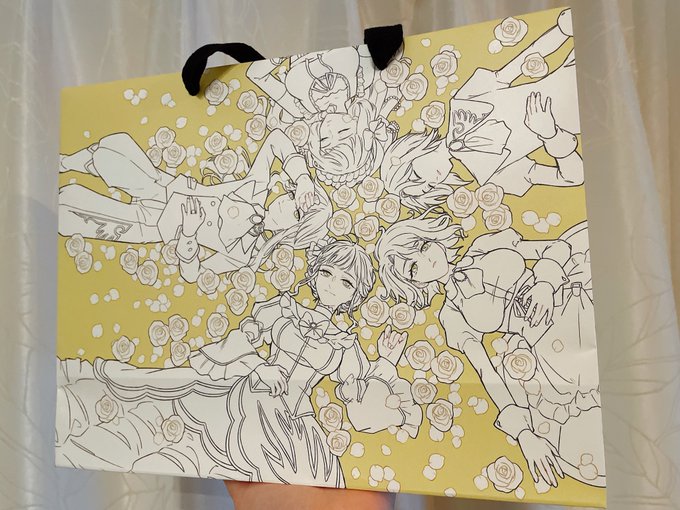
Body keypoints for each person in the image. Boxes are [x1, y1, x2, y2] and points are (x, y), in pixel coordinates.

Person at [55, 239, 421, 487]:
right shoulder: (283, 309)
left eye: (345, 282)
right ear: (314, 273)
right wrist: (255, 366)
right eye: (326, 273)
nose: (332, 284)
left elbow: (358, 401)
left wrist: (387, 366)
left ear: (354, 295)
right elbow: (241, 339)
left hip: (293, 422)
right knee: (161, 397)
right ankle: (83, 393)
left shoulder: (344, 345)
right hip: (252, 392)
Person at [374, 214, 604, 488]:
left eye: (423, 246)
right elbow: (486, 372)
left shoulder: (483, 246)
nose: (426, 260)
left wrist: (544, 284)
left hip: (577, 300)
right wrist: (524, 434)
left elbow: (556, 247)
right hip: (553, 351)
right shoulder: (451, 315)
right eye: (413, 268)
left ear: (433, 237)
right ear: (416, 283)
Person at [59, 129, 330, 280]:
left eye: (296, 212)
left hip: (155, 225)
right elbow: (276, 140)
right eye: (292, 195)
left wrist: (189, 234)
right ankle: (64, 163)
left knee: (73, 212)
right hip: (162, 186)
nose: (285, 201)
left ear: (294, 232)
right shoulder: (257, 187)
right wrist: (302, 178)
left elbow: (195, 274)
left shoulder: (244, 253)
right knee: (112, 152)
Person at [381, 9, 582, 210]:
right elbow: (573, 178)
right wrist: (551, 135)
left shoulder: (462, 101)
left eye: (418, 176)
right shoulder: (492, 176)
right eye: (428, 187)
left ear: (409, 152)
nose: (432, 181)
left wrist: (561, 32)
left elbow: (522, 62)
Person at [246, 47, 399, 187]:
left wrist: (276, 59)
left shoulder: (299, 108)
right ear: (358, 126)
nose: (330, 128)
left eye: (324, 140)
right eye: (343, 132)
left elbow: (255, 75)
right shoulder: (362, 81)